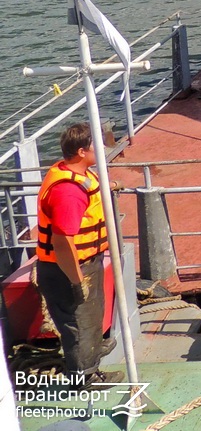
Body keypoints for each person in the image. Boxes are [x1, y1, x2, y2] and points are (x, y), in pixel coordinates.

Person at [35, 123, 121, 385]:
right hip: (68, 269)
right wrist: (76, 281)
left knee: (92, 313)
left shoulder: (77, 172)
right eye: (96, 145)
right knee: (78, 322)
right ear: (82, 151)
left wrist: (113, 185)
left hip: (85, 262)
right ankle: (84, 377)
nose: (103, 148)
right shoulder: (68, 192)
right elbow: (62, 243)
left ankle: (91, 352)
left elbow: (108, 139)